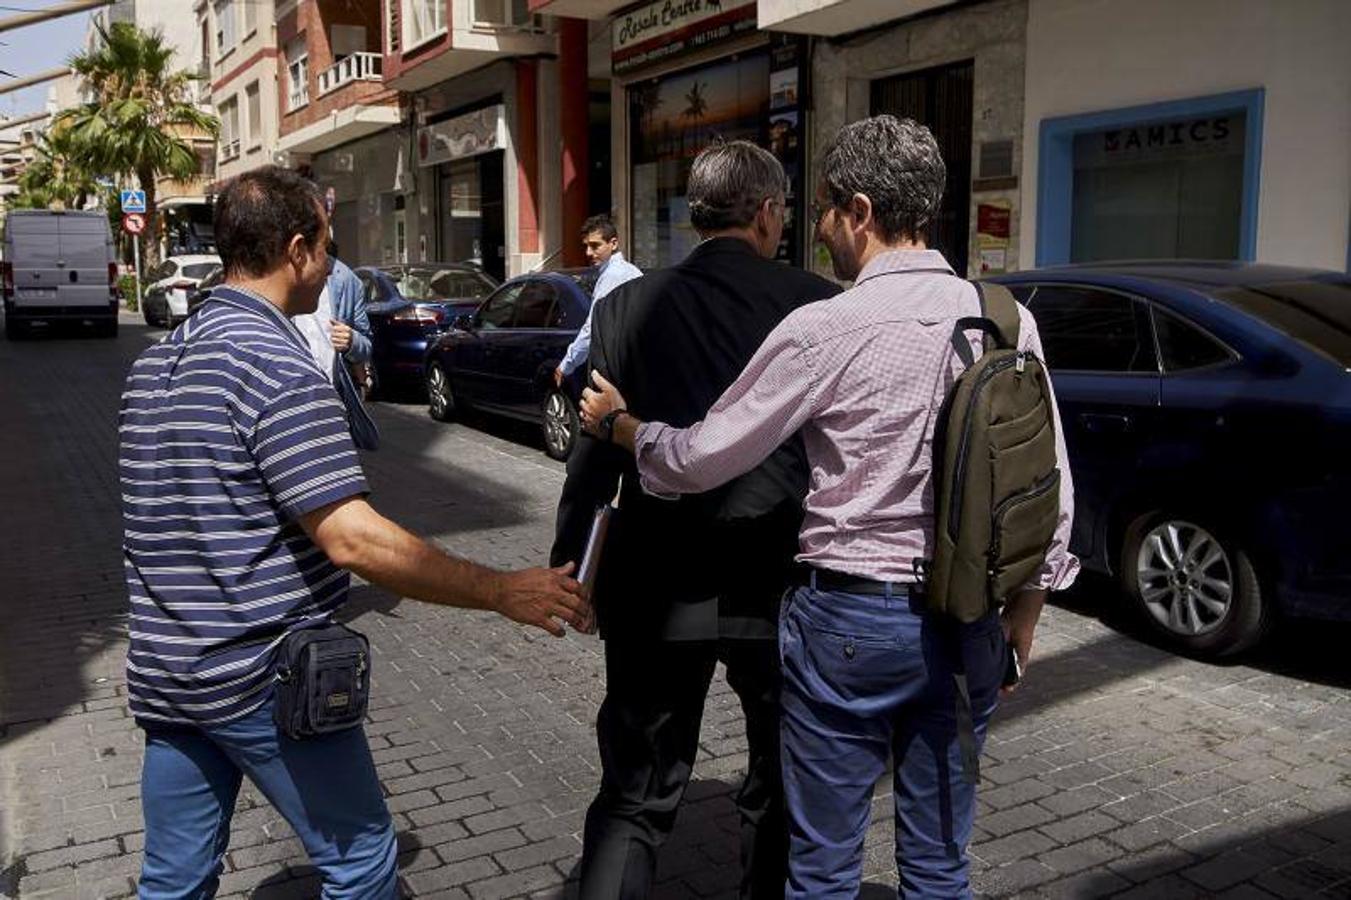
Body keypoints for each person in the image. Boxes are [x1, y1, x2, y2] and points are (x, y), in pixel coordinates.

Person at [579, 116, 1078, 898]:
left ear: (858, 210)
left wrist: (623, 428)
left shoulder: (827, 326)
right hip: (969, 617)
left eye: (822, 212)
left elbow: (700, 458)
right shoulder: (1007, 320)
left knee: (822, 867)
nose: (815, 231)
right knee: (942, 865)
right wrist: (1027, 607)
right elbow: (1046, 482)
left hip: (850, 624)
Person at [120, 166, 588, 899]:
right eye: (328, 246)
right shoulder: (276, 366)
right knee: (363, 863)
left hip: (167, 672)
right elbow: (354, 539)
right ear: (298, 248)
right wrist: (500, 589)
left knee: (173, 881)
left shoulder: (155, 366)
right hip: (256, 677)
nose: (334, 264)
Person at [554, 142, 839, 900]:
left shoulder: (622, 306)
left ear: (694, 215)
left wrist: (568, 569)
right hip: (779, 583)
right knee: (781, 781)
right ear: (769, 212)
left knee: (634, 794)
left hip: (653, 581)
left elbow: (594, 458)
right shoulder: (816, 303)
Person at [293, 241, 378, 448]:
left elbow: (366, 343)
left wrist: (352, 341)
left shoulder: (347, 280)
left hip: (333, 399)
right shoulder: (282, 276)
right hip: (292, 398)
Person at [552, 214, 643, 388]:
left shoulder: (613, 275)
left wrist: (567, 364)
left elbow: (593, 327)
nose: (588, 253)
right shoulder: (629, 270)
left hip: (622, 371)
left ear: (613, 243)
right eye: (586, 246)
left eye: (595, 246)